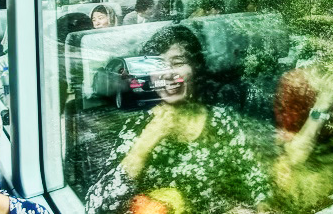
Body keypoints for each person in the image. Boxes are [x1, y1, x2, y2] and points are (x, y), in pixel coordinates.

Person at [85, 25, 270, 214]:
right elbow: (96, 207)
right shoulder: (138, 128)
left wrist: (259, 208)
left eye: (178, 63)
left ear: (195, 69)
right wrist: (148, 139)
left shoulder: (220, 121)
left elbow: (256, 182)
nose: (167, 74)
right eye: (158, 66)